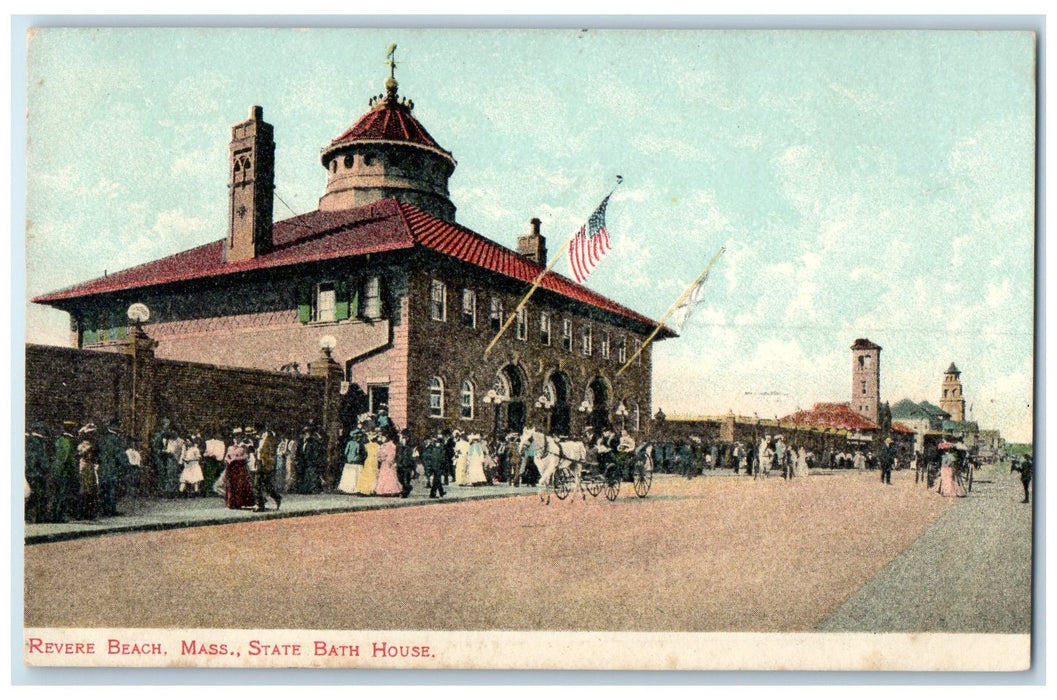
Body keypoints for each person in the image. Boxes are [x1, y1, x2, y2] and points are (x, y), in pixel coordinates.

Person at [97, 419, 128, 515]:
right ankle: (111, 509)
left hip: (103, 467)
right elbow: (119, 454)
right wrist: (125, 464)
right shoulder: (115, 439)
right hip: (112, 467)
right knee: (112, 488)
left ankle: (104, 509)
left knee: (104, 488)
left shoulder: (103, 438)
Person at [25, 421, 50, 523]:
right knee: (39, 495)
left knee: (36, 495)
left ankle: (34, 515)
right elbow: (39, 458)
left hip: (33, 472)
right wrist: (45, 468)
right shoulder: (37, 441)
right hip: (37, 473)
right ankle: (38, 517)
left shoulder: (31, 440)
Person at [223, 428, 255, 509]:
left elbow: (246, 456)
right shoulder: (231, 447)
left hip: (240, 468)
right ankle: (232, 503)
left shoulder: (244, 446)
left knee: (240, 485)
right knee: (231, 485)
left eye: (238, 435)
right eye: (235, 436)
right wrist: (228, 459)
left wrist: (236, 459)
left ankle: (240, 503)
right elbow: (227, 456)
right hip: (231, 468)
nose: (236, 437)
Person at [252, 425, 281, 511]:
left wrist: (267, 463)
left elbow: (271, 453)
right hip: (259, 463)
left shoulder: (269, 438)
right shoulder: (259, 440)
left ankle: (276, 497)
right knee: (257, 484)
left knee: (266, 485)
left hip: (266, 464)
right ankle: (260, 504)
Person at [75, 424, 100, 520]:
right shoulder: (87, 446)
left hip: (87, 467)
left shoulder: (82, 445)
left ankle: (85, 513)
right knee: (86, 490)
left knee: (87, 490)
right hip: (86, 467)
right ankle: (85, 513)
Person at [337, 428, 367, 494]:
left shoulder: (351, 443)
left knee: (350, 475)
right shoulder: (358, 444)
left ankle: (349, 488)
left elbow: (346, 452)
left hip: (351, 461)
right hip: (355, 461)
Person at [297, 426, 323, 494]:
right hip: (302, 461)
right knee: (303, 475)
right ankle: (303, 490)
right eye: (306, 433)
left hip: (310, 461)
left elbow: (315, 452)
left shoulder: (313, 442)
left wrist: (312, 459)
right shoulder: (301, 442)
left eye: (308, 433)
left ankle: (312, 489)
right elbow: (299, 451)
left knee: (311, 475)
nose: (307, 434)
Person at [355, 432, 381, 496]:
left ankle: (364, 489)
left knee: (366, 474)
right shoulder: (378, 446)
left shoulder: (366, 445)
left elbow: (364, 454)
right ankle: (371, 490)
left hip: (369, 460)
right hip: (374, 460)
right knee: (373, 475)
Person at [422, 434, 447, 498]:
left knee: (437, 480)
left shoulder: (437, 448)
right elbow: (427, 457)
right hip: (436, 466)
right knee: (436, 480)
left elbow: (442, 457)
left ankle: (441, 492)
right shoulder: (432, 448)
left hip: (437, 465)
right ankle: (432, 494)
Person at [395, 430, 417, 498]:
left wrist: (414, 468)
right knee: (400, 478)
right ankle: (408, 488)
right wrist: (396, 462)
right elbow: (397, 454)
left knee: (406, 479)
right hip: (400, 464)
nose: (401, 438)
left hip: (407, 465)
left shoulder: (411, 445)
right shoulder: (399, 444)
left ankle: (405, 493)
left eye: (403, 437)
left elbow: (413, 456)